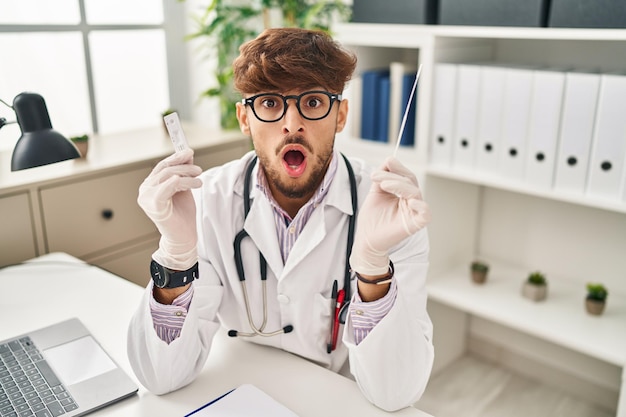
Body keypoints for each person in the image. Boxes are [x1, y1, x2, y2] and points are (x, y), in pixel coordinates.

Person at [128, 27, 433, 412]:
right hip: (241, 393)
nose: (291, 124)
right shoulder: (208, 202)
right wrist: (175, 255)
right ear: (244, 119)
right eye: (270, 103)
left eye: (312, 101)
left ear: (340, 115)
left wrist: (373, 267)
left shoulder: (389, 212)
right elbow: (160, 378)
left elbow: (396, 394)